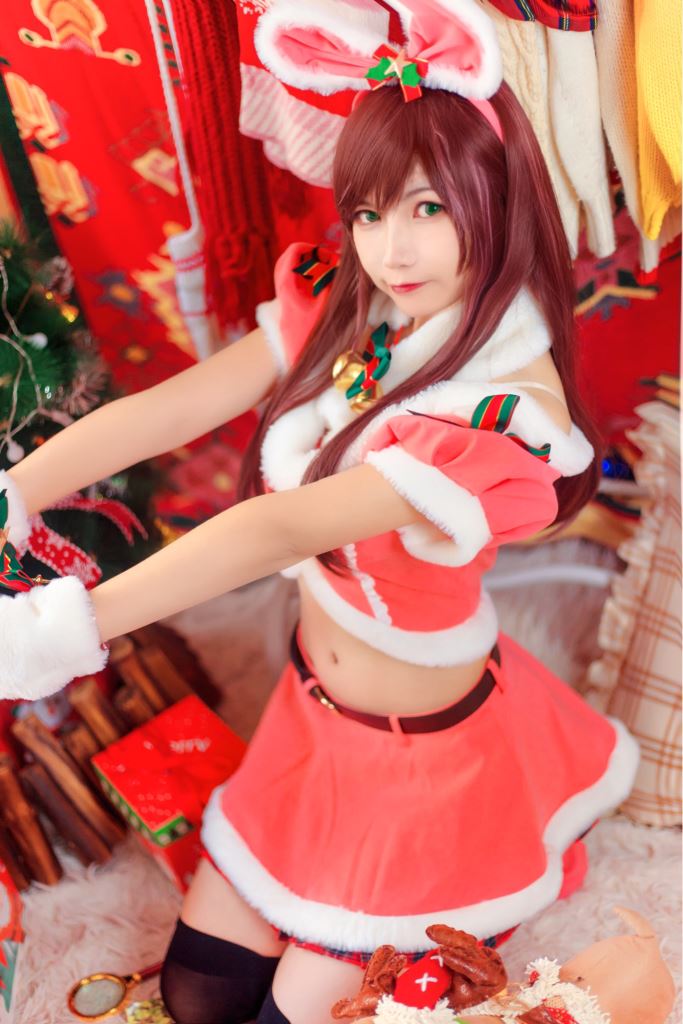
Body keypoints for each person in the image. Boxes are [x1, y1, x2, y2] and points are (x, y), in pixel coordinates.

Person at [0, 1, 639, 1022]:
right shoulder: (358, 309)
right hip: (309, 725)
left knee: (287, 1014)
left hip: (423, 768)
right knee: (198, 995)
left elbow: (282, 527)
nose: (393, 248)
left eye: (429, 208)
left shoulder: (504, 413)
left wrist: (68, 626)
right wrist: (17, 486)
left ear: (496, 200)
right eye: (369, 212)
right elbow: (179, 404)